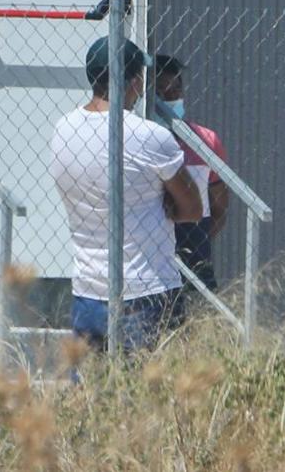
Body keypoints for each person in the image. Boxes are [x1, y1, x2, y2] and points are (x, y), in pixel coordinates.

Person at [50, 36, 203, 352]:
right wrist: (164, 201)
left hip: (88, 290)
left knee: (90, 394)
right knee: (150, 391)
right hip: (146, 289)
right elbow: (192, 207)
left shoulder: (63, 129)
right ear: (135, 81)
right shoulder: (151, 136)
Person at [154, 55, 230, 293]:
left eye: (176, 90)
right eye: (161, 93)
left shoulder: (205, 141)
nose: (171, 98)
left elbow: (219, 207)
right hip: (148, 262)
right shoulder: (136, 141)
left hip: (193, 251)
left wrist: (196, 243)